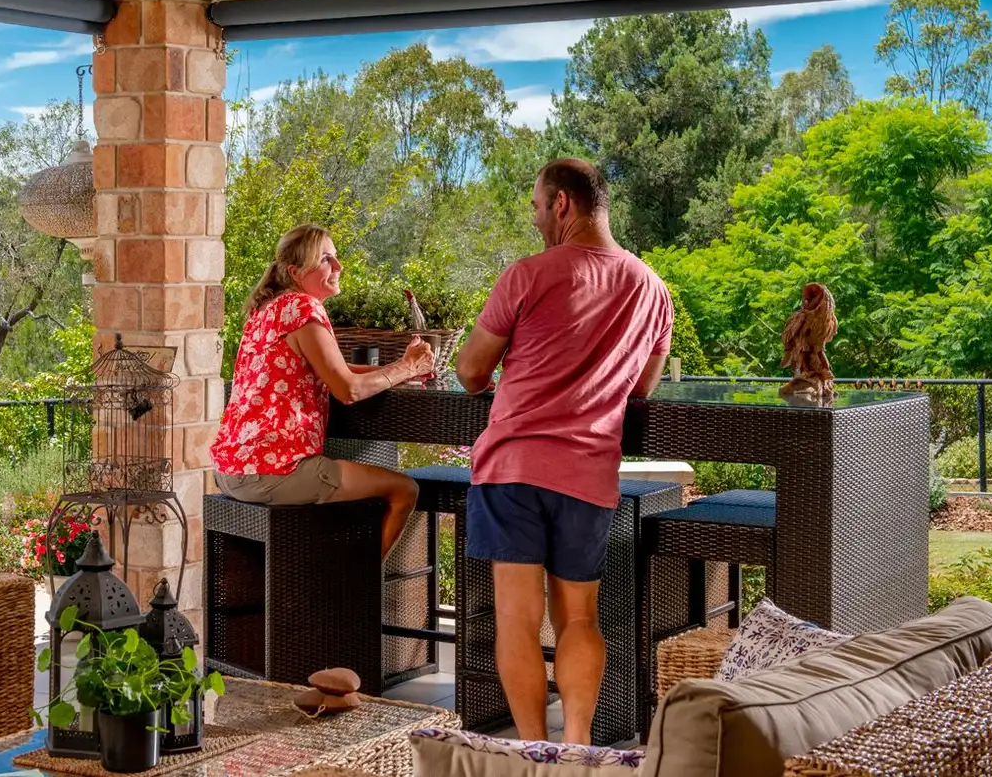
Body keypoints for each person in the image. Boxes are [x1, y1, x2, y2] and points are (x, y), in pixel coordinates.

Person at [454, 159, 673, 745]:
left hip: (513, 468)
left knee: (517, 620)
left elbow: (471, 372)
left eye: (535, 206)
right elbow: (641, 389)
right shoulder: (653, 290)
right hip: (588, 473)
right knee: (578, 617)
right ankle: (576, 747)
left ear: (561, 204)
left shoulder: (528, 275)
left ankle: (534, 751)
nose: (534, 219)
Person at [209, 224, 435, 558]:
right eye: (326, 259)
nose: (338, 266)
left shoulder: (267, 309)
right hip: (274, 473)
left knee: (370, 481)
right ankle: (357, 585)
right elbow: (348, 390)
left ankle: (331, 576)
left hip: (230, 470)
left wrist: (400, 368)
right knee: (404, 490)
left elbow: (335, 370)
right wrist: (407, 369)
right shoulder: (303, 309)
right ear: (296, 272)